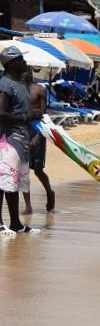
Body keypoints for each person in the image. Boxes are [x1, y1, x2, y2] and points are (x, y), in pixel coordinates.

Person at [0, 45, 40, 234]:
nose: (25, 62)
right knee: (6, 181)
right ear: (10, 64)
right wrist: (26, 118)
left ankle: (16, 224)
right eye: (20, 60)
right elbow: (1, 113)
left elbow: (23, 111)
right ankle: (2, 224)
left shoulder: (21, 84)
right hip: (8, 139)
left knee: (16, 182)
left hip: (21, 139)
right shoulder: (5, 84)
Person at [22, 68, 54, 214]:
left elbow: (44, 116)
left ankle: (49, 193)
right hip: (21, 132)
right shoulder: (16, 91)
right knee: (23, 170)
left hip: (37, 132)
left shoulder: (40, 90)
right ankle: (28, 206)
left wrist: (38, 137)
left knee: (38, 170)